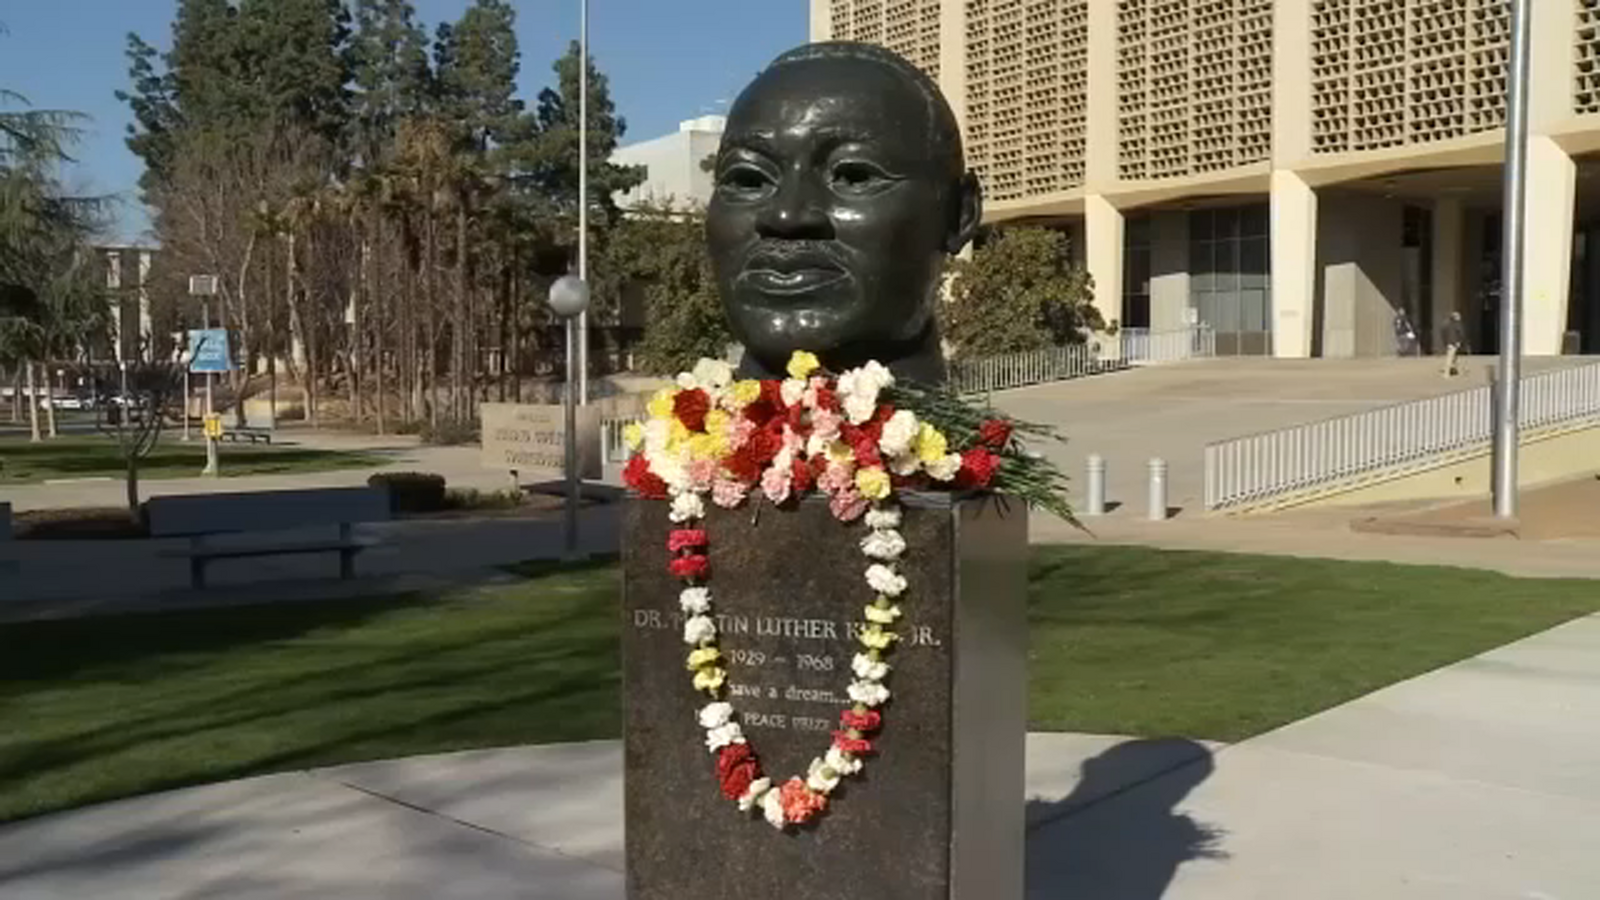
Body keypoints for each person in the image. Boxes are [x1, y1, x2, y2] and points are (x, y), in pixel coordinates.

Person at [705, 42, 982, 385]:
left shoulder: (979, 442)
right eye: (748, 179)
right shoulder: (664, 438)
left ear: (959, 214)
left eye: (854, 176)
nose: (786, 216)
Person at [1441, 311, 1467, 377]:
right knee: (1450, 357)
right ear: (1456, 317)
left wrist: (1445, 342)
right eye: (1458, 317)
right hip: (1455, 343)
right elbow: (1461, 333)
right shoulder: (1457, 324)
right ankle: (1447, 372)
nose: (1460, 318)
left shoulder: (1445, 324)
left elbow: (1443, 333)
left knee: (1453, 357)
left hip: (1449, 343)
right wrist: (1460, 341)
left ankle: (1455, 370)